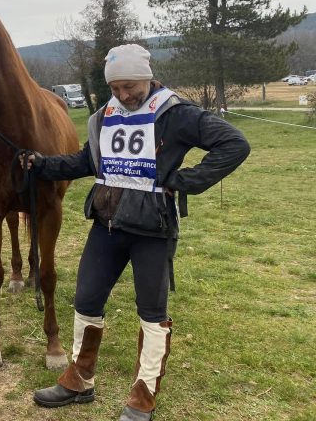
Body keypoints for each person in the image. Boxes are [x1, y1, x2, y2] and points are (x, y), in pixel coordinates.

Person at [27, 44, 250, 420]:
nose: (123, 95)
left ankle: (142, 398)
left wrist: (185, 181)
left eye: (129, 86)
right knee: (86, 301)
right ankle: (79, 380)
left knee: (151, 313)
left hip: (152, 230)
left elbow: (234, 144)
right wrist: (42, 165)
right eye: (115, 88)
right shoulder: (106, 115)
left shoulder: (175, 113)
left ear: (146, 78)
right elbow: (88, 161)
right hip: (106, 225)